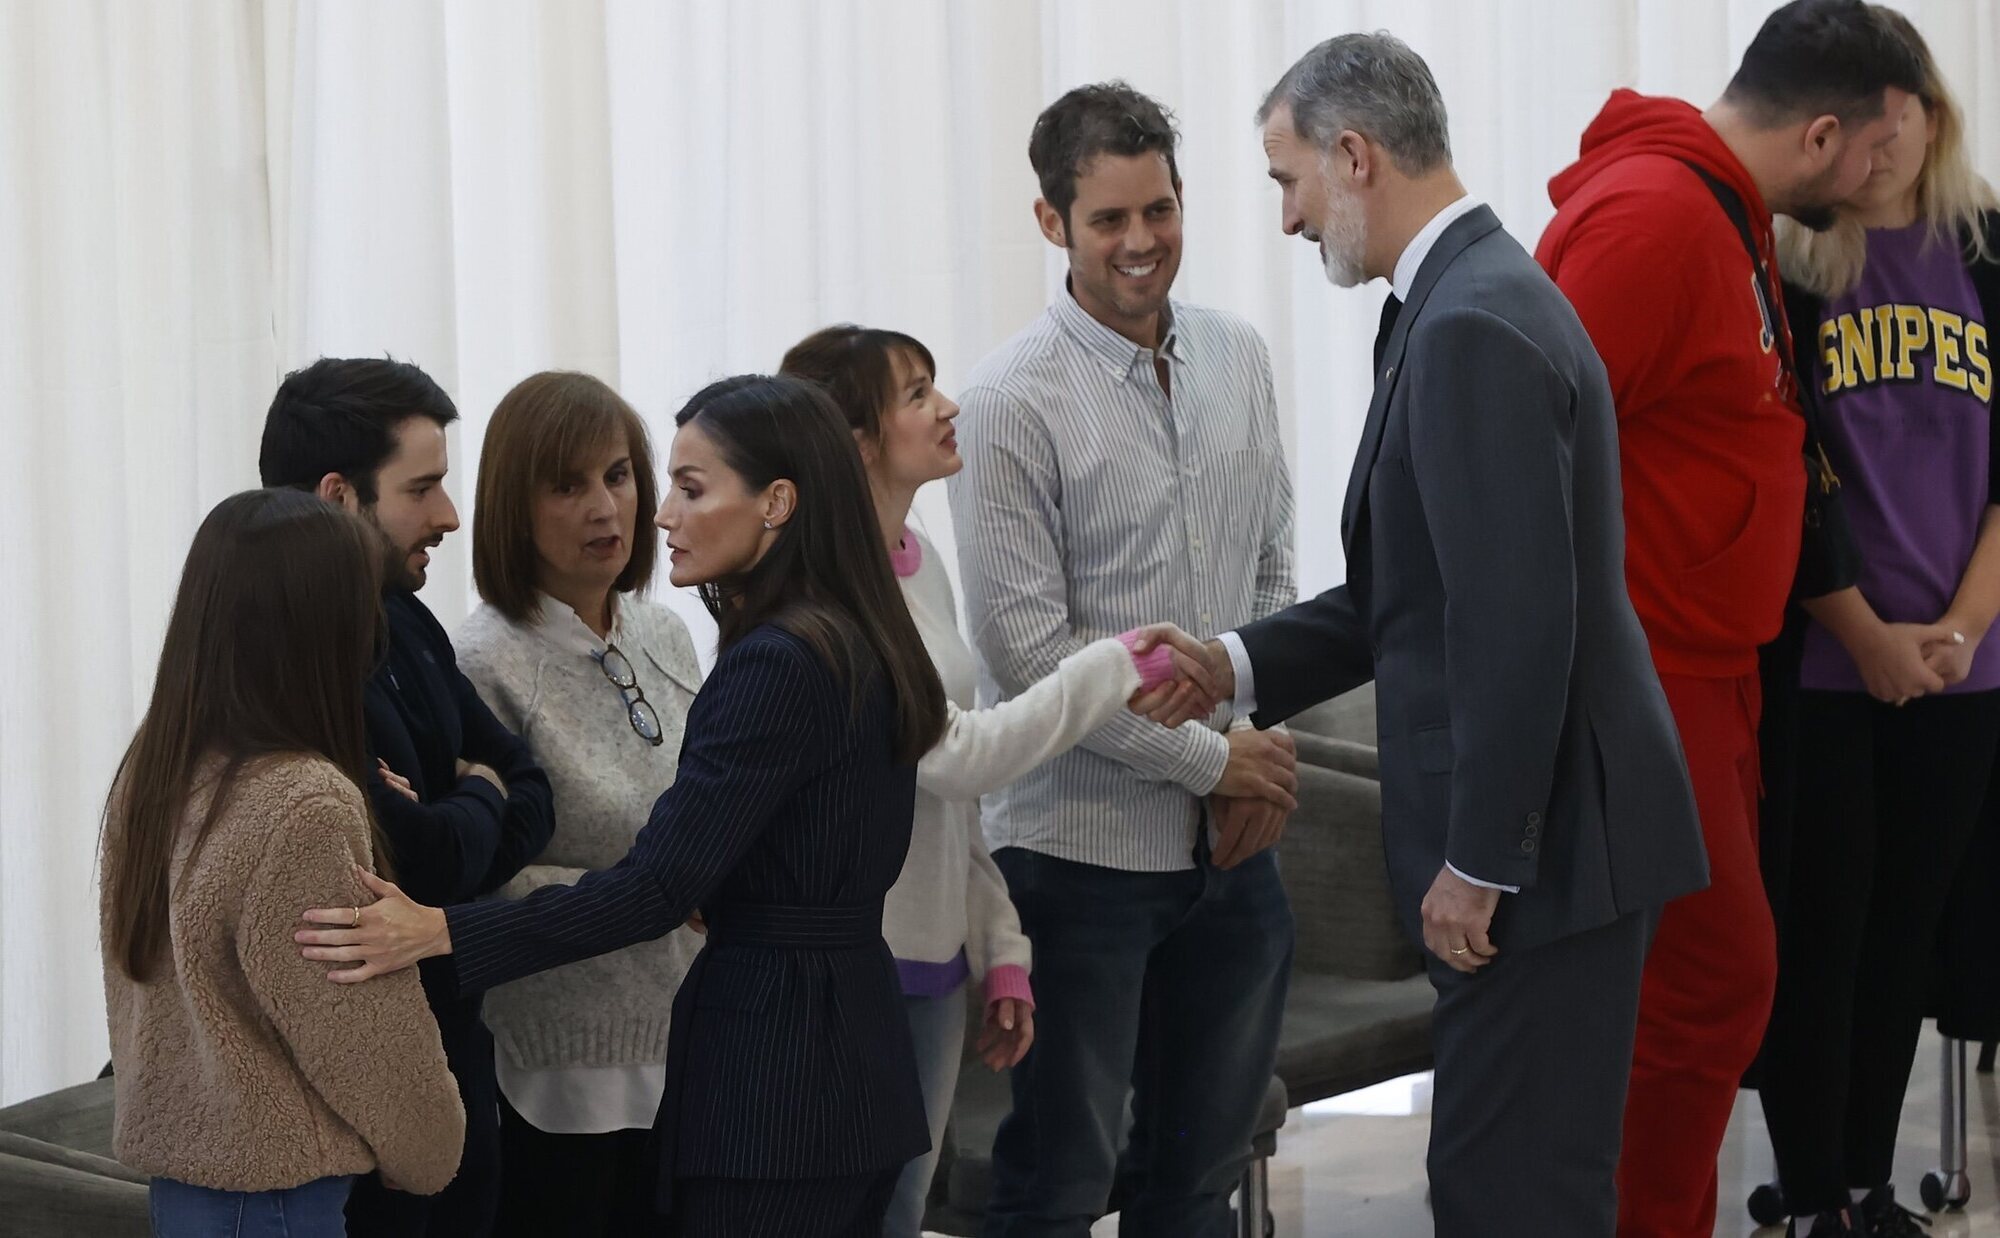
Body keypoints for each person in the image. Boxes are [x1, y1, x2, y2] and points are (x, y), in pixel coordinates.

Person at [1199, 33, 1707, 1236]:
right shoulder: (1465, 297)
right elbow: (1412, 598)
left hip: (1542, 855)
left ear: (1354, 154)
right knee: (1515, 1183)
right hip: (1560, 839)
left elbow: (1515, 625)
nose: (1285, 218)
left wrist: (1483, 860)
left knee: (1508, 1194)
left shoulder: (1470, 319)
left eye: (1287, 180)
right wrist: (1228, 661)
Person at [292, 374, 952, 1237]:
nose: (657, 515)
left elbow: (654, 887)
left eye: (686, 487)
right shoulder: (850, 633)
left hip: (773, 1074)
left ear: (777, 503)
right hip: (836, 1052)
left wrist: (442, 932)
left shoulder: (776, 660)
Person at [1532, 4, 1924, 1232]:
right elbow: (1519, 457)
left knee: (1711, 986)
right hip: (1645, 675)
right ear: (1820, 135)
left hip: (1710, 671)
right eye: (1874, 156)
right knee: (1709, 983)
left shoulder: (1721, 216)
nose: (1880, 185)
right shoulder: (1654, 219)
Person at [947, 80, 1302, 1237]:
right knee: (1057, 1183)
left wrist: (1258, 739)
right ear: (1051, 222)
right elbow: (1033, 657)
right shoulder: (1006, 402)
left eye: (1159, 208)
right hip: (1073, 858)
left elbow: (1273, 575)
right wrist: (1217, 761)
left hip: (1231, 856)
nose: (1141, 241)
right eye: (1108, 219)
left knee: (1195, 1178)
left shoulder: (1239, 355)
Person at [780, 324, 1214, 1237]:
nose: (949, 407)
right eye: (916, 394)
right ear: (855, 444)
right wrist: (1113, 665)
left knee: (903, 1207)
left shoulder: (918, 563)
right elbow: (961, 752)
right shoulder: (831, 602)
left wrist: (1000, 948)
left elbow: (953, 807)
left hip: (933, 959)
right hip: (852, 962)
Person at [1758, 10, 2000, 1234]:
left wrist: (1959, 626)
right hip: (1824, 658)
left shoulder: (1986, 246)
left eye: (1907, 100)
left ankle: (1860, 1183)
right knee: (1822, 938)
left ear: (1932, 110)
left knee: (1904, 938)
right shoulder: (1788, 254)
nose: (1890, 128)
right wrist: (1863, 633)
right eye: (1869, 108)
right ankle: (1808, 1197)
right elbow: (1781, 470)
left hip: (1962, 663)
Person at [99, 488, 465, 1237]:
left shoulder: (154, 768)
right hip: (273, 1201)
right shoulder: (302, 802)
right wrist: (432, 1147)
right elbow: (354, 1028)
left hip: (186, 1192)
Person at [259, 357, 556, 1237]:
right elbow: (414, 858)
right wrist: (477, 800)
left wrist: (463, 809)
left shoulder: (409, 618)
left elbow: (532, 788)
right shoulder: (283, 660)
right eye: (422, 488)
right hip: (356, 1099)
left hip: (454, 1055)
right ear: (338, 495)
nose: (450, 516)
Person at [453, 371, 705, 1237]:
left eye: (619, 475)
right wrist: (656, 890)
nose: (605, 507)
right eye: (567, 485)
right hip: (555, 1061)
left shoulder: (664, 632)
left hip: (683, 1036)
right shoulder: (482, 661)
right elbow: (474, 884)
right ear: (511, 508)